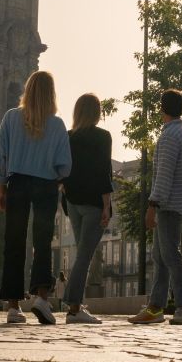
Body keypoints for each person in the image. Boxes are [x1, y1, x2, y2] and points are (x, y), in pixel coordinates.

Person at [0, 70, 72, 325]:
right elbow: (65, 166)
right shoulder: (57, 124)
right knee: (42, 243)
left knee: (14, 244)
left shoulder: (10, 118)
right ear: (52, 94)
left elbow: (2, 158)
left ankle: (14, 305)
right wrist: (56, 180)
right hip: (46, 184)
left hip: (17, 183)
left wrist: (3, 189)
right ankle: (41, 297)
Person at [128, 89, 182, 326]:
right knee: (160, 256)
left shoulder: (170, 136)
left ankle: (181, 307)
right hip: (179, 202)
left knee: (170, 255)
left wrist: (152, 205)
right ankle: (156, 307)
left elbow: (164, 175)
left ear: (162, 109)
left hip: (169, 205)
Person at [60, 93, 113, 324]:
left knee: (81, 254)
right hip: (93, 204)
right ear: (97, 112)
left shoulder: (67, 137)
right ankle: (73, 307)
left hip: (72, 202)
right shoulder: (103, 137)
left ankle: (74, 304)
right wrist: (106, 205)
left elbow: (62, 170)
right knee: (84, 255)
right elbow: (104, 172)